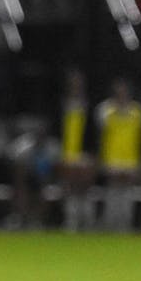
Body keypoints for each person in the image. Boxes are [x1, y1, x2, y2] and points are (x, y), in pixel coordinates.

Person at [93, 77, 141, 232]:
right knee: (113, 190)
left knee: (127, 191)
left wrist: (139, 159)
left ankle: (126, 223)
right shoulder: (104, 110)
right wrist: (101, 158)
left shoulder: (137, 110)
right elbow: (100, 136)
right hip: (112, 157)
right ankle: (111, 223)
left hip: (130, 158)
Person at [57, 68, 96, 231]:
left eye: (78, 84)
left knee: (84, 187)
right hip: (67, 151)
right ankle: (71, 221)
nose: (76, 86)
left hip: (84, 151)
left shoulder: (89, 105)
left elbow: (94, 132)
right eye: (73, 84)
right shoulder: (62, 105)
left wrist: (91, 153)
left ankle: (87, 221)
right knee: (70, 187)